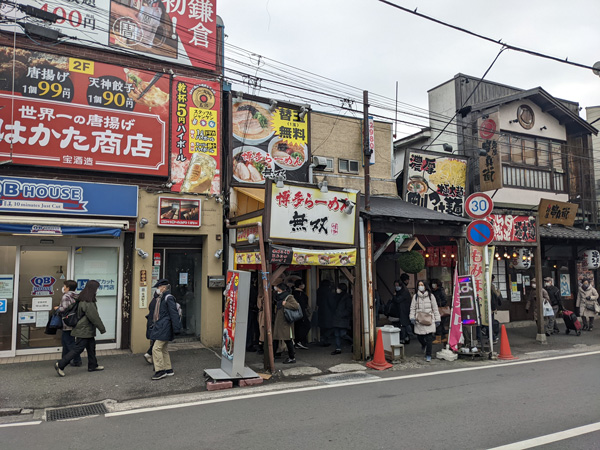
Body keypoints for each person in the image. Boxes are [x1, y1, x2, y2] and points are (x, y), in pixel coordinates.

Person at [54, 280, 106, 377]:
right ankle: (60, 364)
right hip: (84, 329)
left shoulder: (82, 298)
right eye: (97, 289)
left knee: (91, 347)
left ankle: (93, 365)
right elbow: (93, 316)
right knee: (78, 348)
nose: (97, 291)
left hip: (85, 329)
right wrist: (102, 328)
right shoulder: (88, 301)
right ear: (93, 289)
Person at [148, 279, 182, 380]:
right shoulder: (161, 297)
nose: (157, 289)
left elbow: (173, 314)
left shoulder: (168, 298)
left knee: (156, 348)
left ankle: (160, 371)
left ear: (163, 287)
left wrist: (177, 328)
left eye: (158, 287)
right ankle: (168, 369)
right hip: (162, 326)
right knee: (163, 349)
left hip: (164, 326)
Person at [409, 280, 440, 362]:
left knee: (429, 338)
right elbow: (412, 308)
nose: (420, 286)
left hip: (429, 319)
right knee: (420, 337)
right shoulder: (415, 297)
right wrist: (412, 317)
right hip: (419, 320)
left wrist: (437, 319)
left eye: (422, 285)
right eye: (419, 285)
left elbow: (435, 308)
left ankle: (428, 354)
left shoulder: (431, 296)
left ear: (425, 286)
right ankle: (423, 344)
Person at [55, 280, 82, 367]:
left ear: (68, 287)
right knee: (65, 341)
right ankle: (64, 359)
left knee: (69, 343)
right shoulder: (77, 296)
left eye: (65, 286)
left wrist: (57, 308)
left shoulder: (66, 296)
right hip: (74, 321)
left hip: (67, 323)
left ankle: (77, 360)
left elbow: (64, 309)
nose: (64, 288)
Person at [272, 283, 300, 364]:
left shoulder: (289, 297)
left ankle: (292, 357)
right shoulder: (277, 297)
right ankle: (272, 356)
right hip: (279, 321)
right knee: (276, 339)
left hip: (286, 322)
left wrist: (286, 304)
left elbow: (296, 306)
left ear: (281, 289)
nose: (276, 289)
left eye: (277, 288)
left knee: (287, 340)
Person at [388, 277, 412, 344]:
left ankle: (405, 337)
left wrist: (394, 296)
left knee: (403, 325)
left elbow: (398, 300)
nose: (396, 287)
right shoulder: (402, 291)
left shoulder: (404, 292)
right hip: (401, 311)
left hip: (404, 311)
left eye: (398, 285)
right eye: (395, 285)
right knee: (403, 324)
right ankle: (405, 337)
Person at [331, 283, 353, 355]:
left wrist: (342, 314)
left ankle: (354, 342)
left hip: (343, 318)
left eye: (338, 288)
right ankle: (338, 348)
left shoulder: (347, 298)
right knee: (337, 334)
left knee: (342, 334)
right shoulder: (336, 297)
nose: (337, 290)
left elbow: (349, 309)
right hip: (337, 318)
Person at [143, 288, 160, 365]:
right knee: (158, 341)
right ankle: (149, 354)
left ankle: (152, 356)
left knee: (155, 341)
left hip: (151, 323)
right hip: (156, 324)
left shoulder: (153, 301)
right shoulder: (158, 302)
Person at [292, 279, 310, 350]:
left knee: (297, 327)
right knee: (306, 325)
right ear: (300, 285)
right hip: (301, 312)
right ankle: (299, 341)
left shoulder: (293, 293)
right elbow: (303, 304)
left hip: (295, 313)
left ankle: (297, 341)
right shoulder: (300, 294)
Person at [317, 279, 335, 346]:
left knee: (323, 327)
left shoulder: (319, 290)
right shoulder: (328, 291)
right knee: (331, 326)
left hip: (321, 310)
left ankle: (323, 340)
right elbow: (331, 302)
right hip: (328, 312)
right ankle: (325, 338)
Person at [430, 279, 448, 344]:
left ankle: (439, 338)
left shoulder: (440, 291)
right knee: (441, 325)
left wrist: (439, 305)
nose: (433, 285)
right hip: (436, 309)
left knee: (439, 325)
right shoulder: (433, 291)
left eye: (434, 283)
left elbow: (444, 300)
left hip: (440, 310)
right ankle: (446, 337)